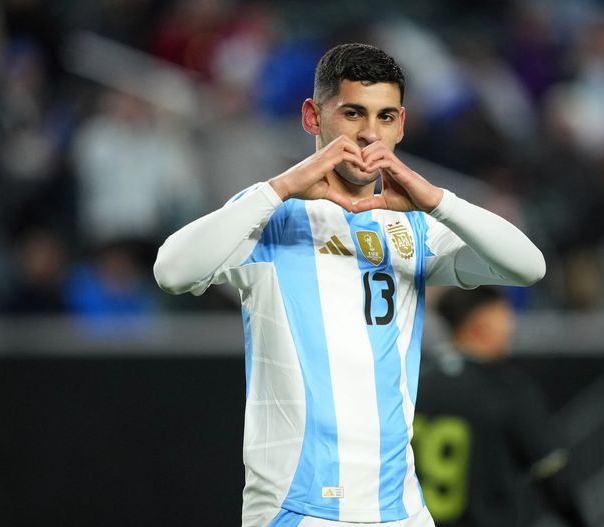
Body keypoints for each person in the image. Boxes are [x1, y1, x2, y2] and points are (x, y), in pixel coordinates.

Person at [153, 43, 546, 527]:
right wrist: (278, 188)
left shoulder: (415, 227)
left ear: (401, 125)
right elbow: (171, 271)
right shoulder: (270, 215)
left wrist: (438, 200)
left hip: (401, 510)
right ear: (313, 117)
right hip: (299, 510)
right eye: (352, 113)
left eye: (384, 117)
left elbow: (529, 266)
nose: (368, 135)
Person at [414, 286, 588, 526]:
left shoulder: (416, 383)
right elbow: (551, 476)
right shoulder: (505, 388)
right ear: (481, 325)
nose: (511, 327)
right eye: (504, 317)